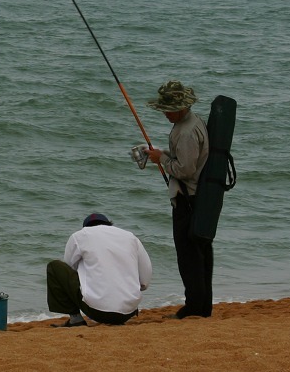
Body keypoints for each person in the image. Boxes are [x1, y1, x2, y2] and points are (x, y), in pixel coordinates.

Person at [146, 79, 212, 319]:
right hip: (199, 198)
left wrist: (161, 160)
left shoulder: (186, 132)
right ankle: (203, 306)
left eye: (168, 109)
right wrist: (162, 154)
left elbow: (185, 170)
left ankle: (195, 307)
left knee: (189, 256)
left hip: (189, 199)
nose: (165, 114)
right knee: (201, 253)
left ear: (181, 107)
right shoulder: (193, 123)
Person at [46, 213, 152, 327]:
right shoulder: (131, 237)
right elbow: (145, 279)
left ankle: (75, 319)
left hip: (97, 312)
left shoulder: (80, 235)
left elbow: (68, 268)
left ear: (85, 226)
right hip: (128, 312)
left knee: (54, 267)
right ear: (109, 224)